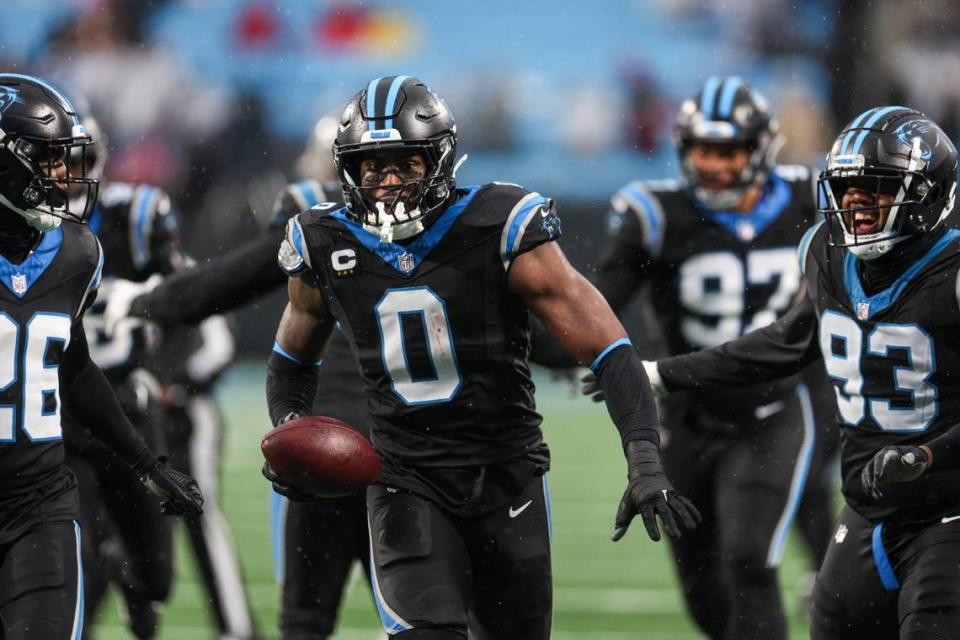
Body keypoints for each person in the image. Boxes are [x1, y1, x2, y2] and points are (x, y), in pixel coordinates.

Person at [264, 75, 700, 640]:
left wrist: (643, 459)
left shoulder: (498, 224)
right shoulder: (325, 242)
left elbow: (610, 350)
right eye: (373, 167)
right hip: (405, 478)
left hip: (506, 476)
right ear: (350, 170)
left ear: (439, 161)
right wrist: (291, 428)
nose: (389, 182)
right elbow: (291, 360)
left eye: (407, 164)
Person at [643, 106, 960, 638]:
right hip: (869, 508)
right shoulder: (824, 252)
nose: (855, 204)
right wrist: (665, 373)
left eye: (875, 188)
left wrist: (929, 454)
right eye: (847, 188)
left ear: (928, 194)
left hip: (949, 506)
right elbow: (786, 342)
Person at [97, 116, 376, 639]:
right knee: (417, 608)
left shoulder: (318, 216)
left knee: (311, 615)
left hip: (343, 433)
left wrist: (150, 304)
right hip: (406, 439)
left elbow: (230, 283)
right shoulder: (459, 219)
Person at [580, 77, 827, 639]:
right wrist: (582, 350)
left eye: (728, 151)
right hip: (684, 417)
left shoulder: (810, 198)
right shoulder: (657, 213)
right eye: (702, 151)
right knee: (702, 584)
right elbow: (597, 304)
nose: (714, 165)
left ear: (760, 150)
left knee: (749, 561)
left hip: (773, 409)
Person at [0, 72, 202, 640]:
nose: (64, 175)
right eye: (46, 160)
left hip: (39, 502)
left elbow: (76, 367)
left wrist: (147, 465)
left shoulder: (75, 251)